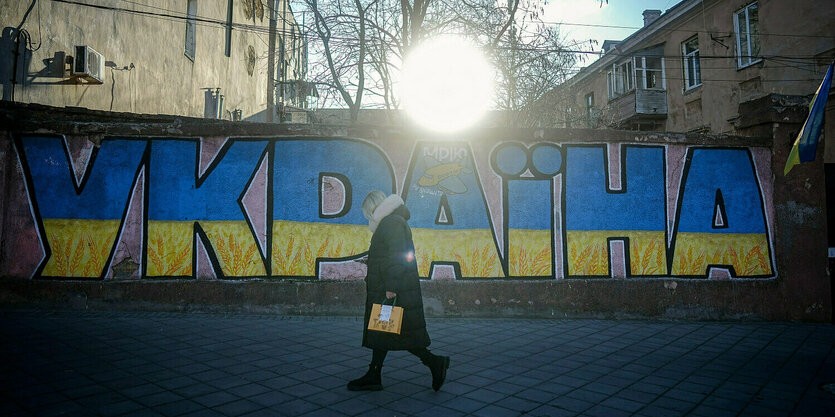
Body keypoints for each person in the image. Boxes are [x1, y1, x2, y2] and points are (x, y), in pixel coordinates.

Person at [347, 190, 450, 392]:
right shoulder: (391, 222)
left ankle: (435, 362)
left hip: (394, 290)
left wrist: (391, 287)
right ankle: (374, 375)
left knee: (401, 335)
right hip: (391, 287)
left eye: (368, 212)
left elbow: (397, 256)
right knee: (382, 331)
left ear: (373, 209)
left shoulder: (391, 223)